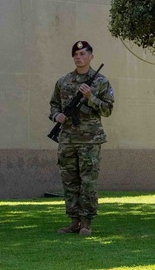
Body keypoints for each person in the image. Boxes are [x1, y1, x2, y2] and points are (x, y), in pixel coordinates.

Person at [50, 40, 114, 236]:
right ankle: (73, 221)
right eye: (76, 55)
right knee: (69, 182)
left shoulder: (100, 81)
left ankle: (86, 222)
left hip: (90, 140)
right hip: (67, 139)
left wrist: (90, 97)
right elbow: (54, 104)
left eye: (83, 54)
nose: (79, 58)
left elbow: (108, 109)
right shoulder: (63, 81)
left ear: (91, 57)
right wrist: (56, 116)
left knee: (88, 183)